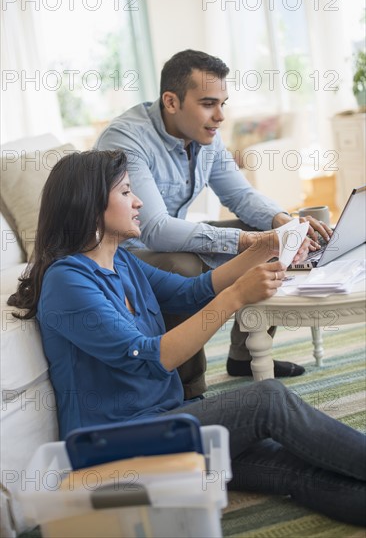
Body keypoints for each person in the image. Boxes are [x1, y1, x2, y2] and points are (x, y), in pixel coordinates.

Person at [9, 150, 365, 527]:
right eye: (126, 191)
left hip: (166, 422)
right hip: (112, 449)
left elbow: (191, 292)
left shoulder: (122, 261)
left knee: (288, 465)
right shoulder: (68, 281)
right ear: (91, 204)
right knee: (267, 400)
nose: (139, 201)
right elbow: (155, 357)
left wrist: (265, 247)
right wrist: (236, 296)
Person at [94, 49, 333, 398]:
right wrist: (253, 241)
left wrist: (285, 223)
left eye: (223, 103)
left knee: (298, 228)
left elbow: (239, 195)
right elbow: (155, 228)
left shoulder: (206, 134)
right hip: (126, 249)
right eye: (208, 103)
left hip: (166, 235)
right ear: (171, 101)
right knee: (183, 265)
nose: (220, 116)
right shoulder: (127, 139)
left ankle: (244, 355)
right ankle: (189, 387)